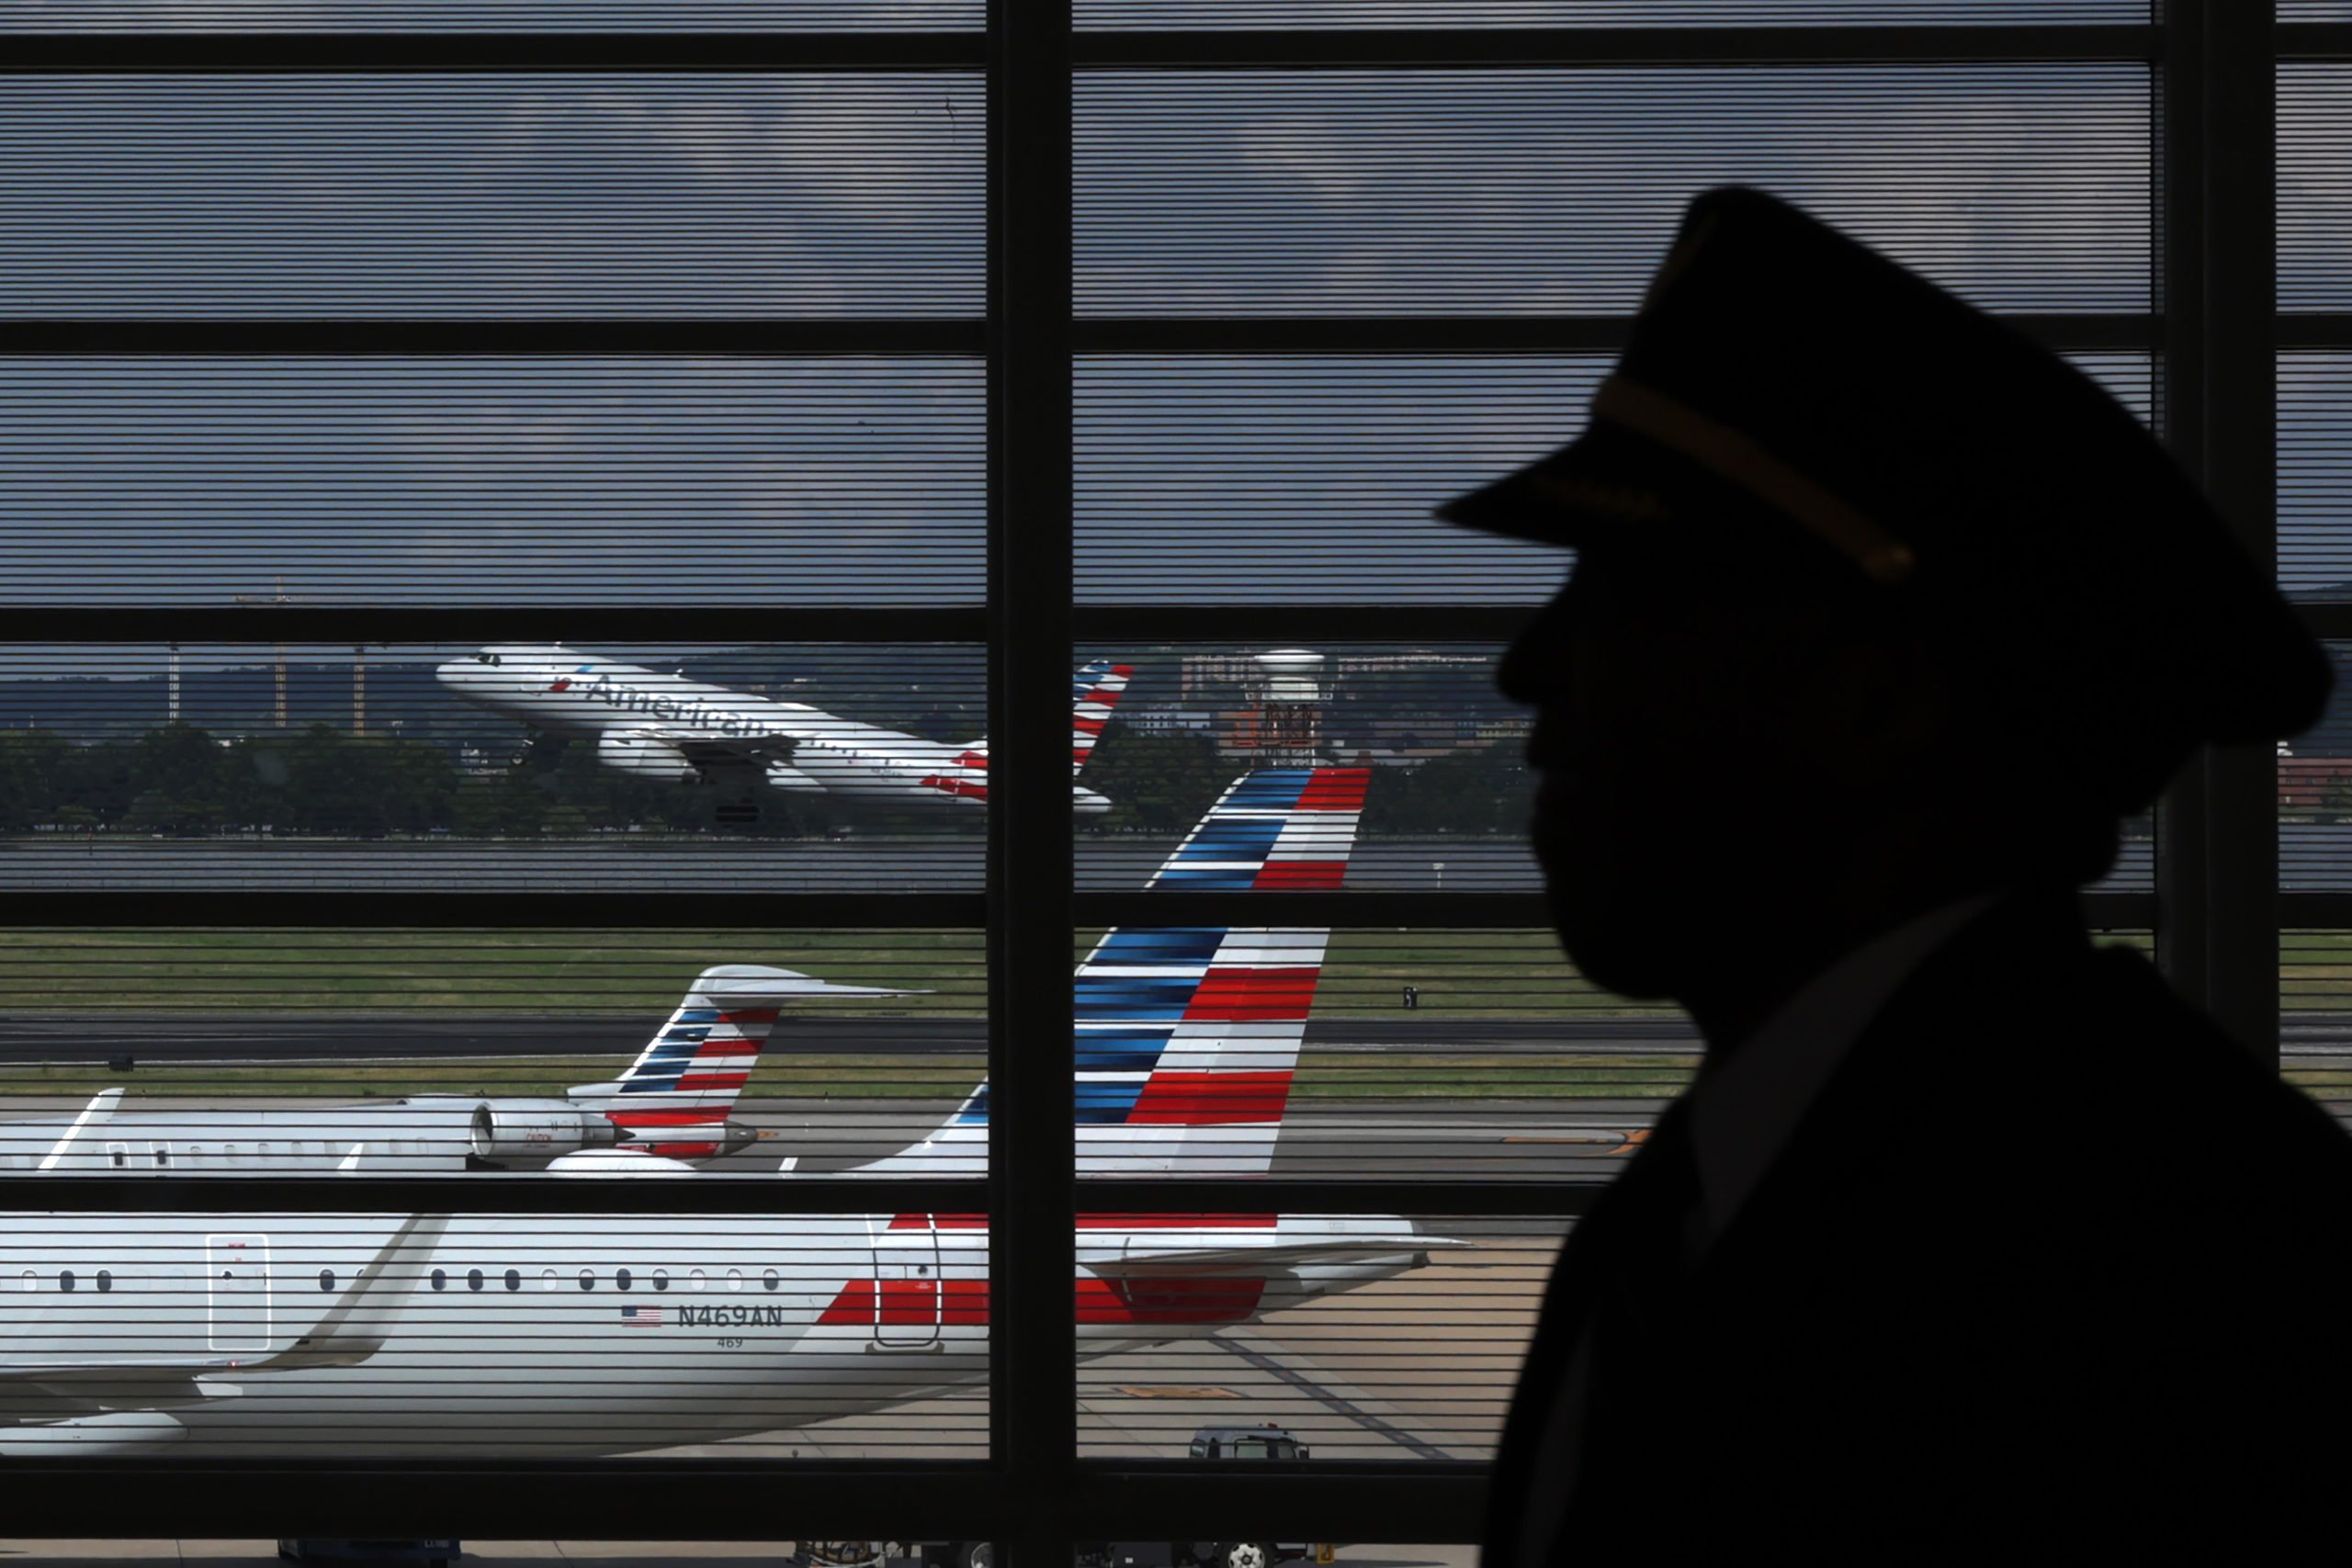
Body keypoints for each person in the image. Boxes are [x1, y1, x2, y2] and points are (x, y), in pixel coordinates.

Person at [1438, 186, 2352, 1557]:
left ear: (1876, 700)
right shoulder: (1682, 1217)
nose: (1528, 667)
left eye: (1629, 602)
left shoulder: (2175, 1275)